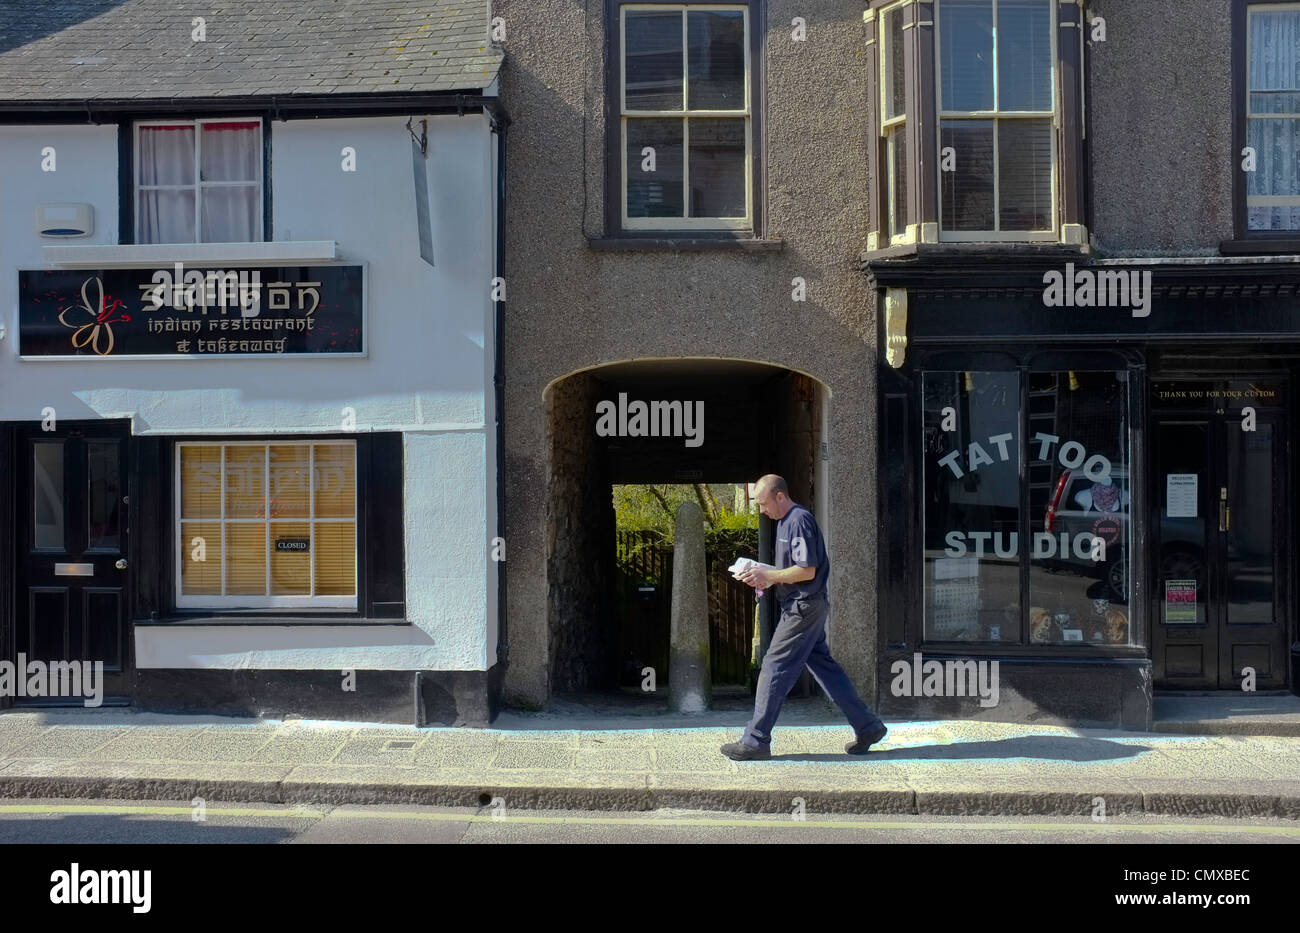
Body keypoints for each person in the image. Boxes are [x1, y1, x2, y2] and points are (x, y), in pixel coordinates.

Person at [721, 474, 888, 760]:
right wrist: (765, 575)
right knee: (826, 669)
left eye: (763, 504)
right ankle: (868, 726)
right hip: (806, 605)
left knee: (773, 668)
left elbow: (806, 570)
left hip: (802, 606)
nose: (762, 511)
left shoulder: (798, 520)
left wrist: (769, 576)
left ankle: (755, 741)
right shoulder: (786, 522)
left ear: (780, 496)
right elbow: (794, 569)